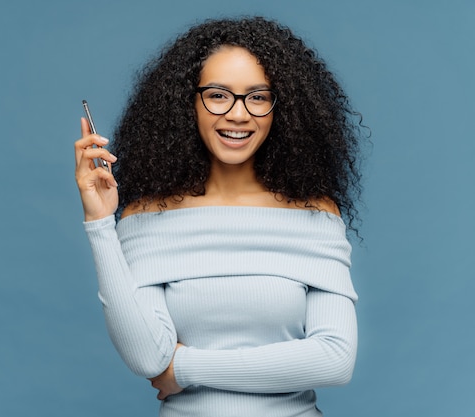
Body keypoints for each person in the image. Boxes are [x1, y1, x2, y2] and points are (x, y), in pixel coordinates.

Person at [74, 16, 365, 417]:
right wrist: (101, 224)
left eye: (258, 97)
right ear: (188, 103)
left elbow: (335, 359)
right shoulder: (148, 216)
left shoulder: (315, 215)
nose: (238, 114)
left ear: (281, 108)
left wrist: (186, 368)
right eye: (218, 95)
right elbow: (146, 358)